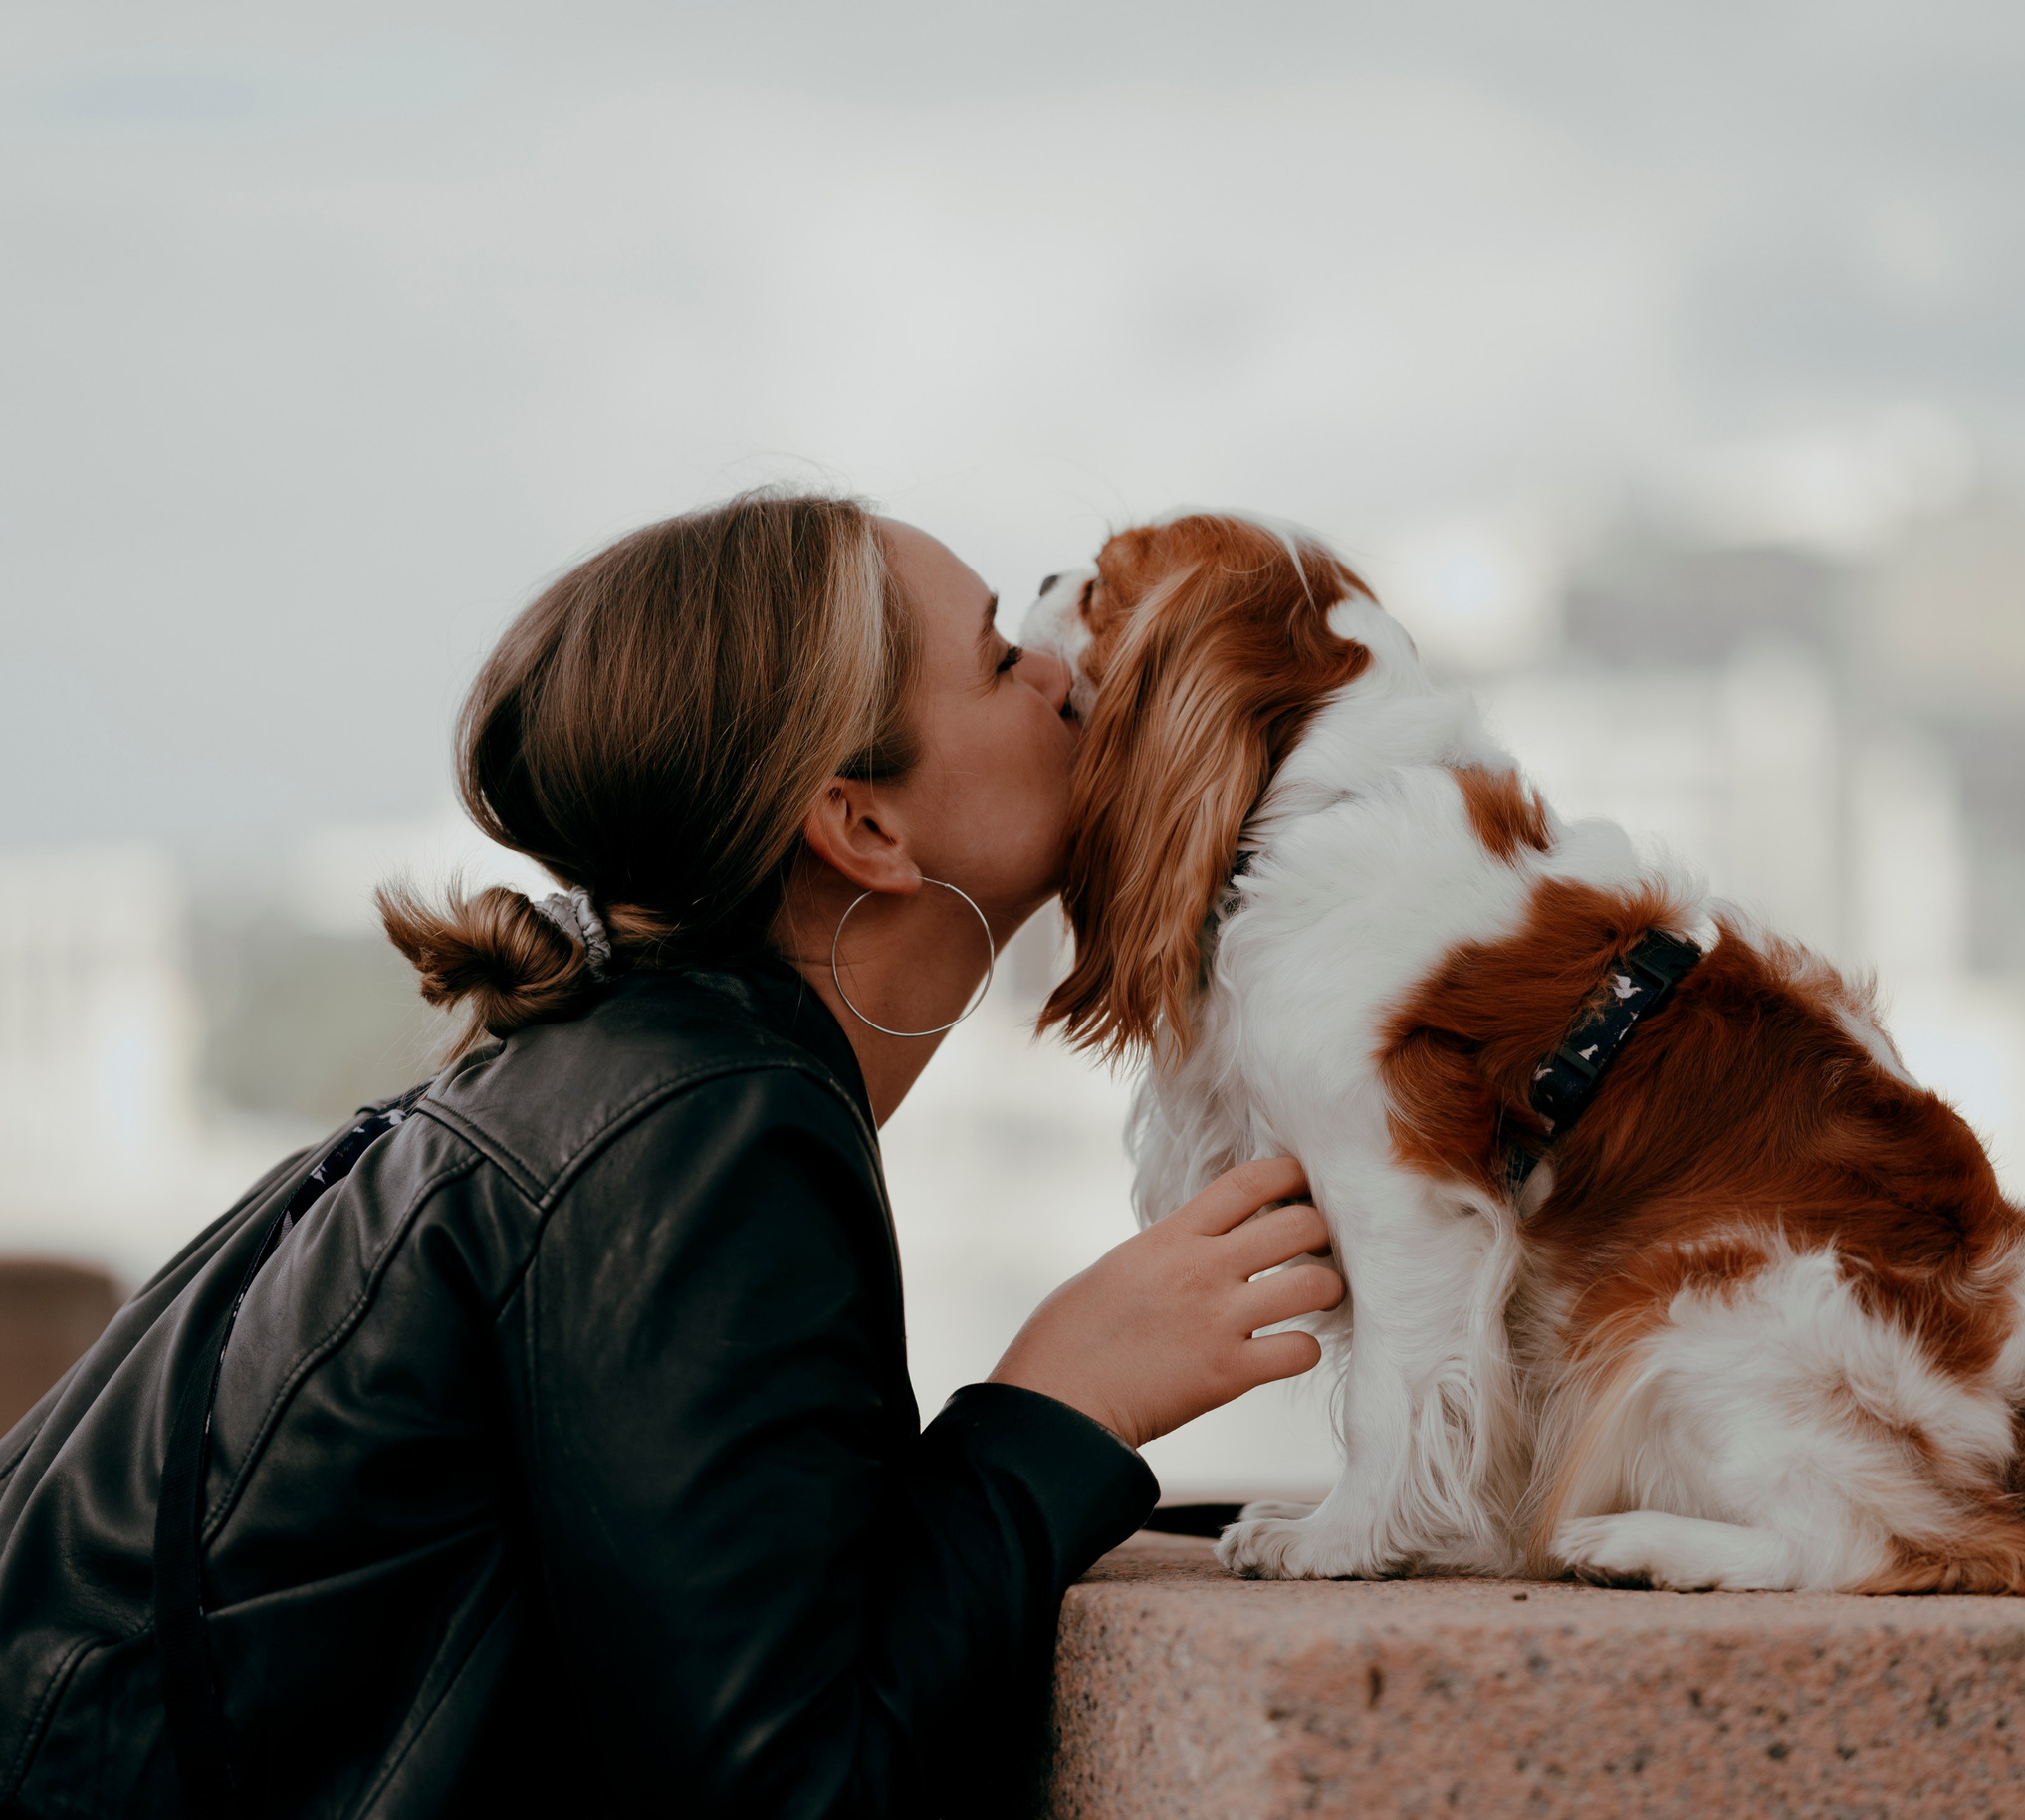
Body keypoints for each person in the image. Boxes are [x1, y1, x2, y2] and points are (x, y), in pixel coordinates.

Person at [0, 492, 1344, 1818]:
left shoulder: (637, 1079)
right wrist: (1064, 1400)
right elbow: (789, 1788)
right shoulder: (707, 1130)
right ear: (862, 825)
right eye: (1000, 658)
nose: (1064, 671)